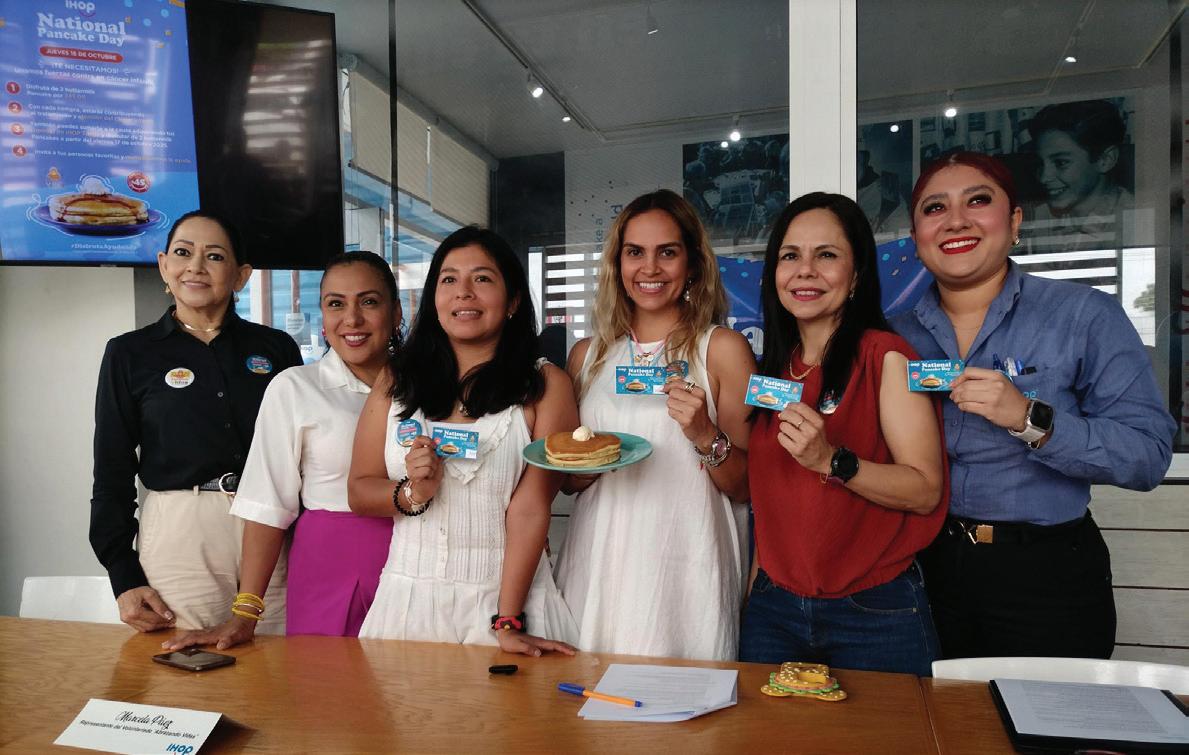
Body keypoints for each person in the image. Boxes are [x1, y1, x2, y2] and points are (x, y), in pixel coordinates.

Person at [893, 151, 1175, 659]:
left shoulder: (1082, 315)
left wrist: (1029, 419)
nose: (955, 220)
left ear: (1015, 220)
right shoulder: (894, 336)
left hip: (1046, 575)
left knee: (1040, 711)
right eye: (935, 208)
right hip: (923, 568)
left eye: (978, 201)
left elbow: (1147, 456)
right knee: (933, 711)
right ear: (916, 237)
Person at [739, 193, 947, 675]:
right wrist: (755, 592)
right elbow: (771, 503)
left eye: (826, 255)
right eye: (790, 256)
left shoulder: (886, 356)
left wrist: (830, 460)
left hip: (873, 609)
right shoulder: (774, 371)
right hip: (774, 609)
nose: (805, 271)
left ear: (855, 277)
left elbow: (925, 490)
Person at [348, 227, 578, 656]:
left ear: (513, 300)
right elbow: (360, 490)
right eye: (449, 279)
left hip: (509, 600)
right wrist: (414, 492)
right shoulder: (396, 380)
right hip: (407, 602)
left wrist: (507, 619)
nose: (463, 293)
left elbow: (530, 509)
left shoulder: (546, 385)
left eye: (482, 279)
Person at [161, 252, 402, 651]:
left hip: (423, 561)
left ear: (396, 313)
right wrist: (245, 613)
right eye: (336, 304)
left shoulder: (433, 389)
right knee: (325, 682)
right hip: (332, 565)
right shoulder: (295, 388)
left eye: (369, 302)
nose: (352, 319)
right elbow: (269, 505)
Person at [553, 189, 754, 662]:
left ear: (692, 263)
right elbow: (568, 482)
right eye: (635, 252)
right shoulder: (587, 356)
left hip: (685, 567)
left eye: (667, 252)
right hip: (598, 565)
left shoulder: (722, 349)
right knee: (587, 697)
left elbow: (746, 485)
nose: (650, 268)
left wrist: (703, 433)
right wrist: (593, 460)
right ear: (617, 264)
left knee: (685, 699)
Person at [90, 210, 301, 632]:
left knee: (279, 660)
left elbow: (301, 455)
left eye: (215, 256)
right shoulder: (129, 353)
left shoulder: (276, 348)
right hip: (181, 529)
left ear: (241, 275)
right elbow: (112, 470)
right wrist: (122, 573)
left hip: (271, 523)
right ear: (163, 265)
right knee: (184, 661)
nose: (196, 267)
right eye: (183, 253)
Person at [1026, 99, 1133, 251]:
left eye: (1061, 162)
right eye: (1040, 164)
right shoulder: (1038, 218)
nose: (1044, 178)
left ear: (1105, 160)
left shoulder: (1134, 220)